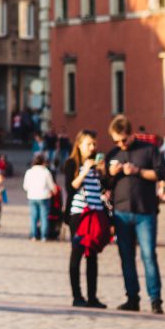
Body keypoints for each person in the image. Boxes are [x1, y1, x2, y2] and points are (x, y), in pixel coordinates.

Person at [105, 114, 163, 314]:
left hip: (145, 211)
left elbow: (159, 174)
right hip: (121, 212)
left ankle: (155, 299)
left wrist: (137, 171)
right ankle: (132, 298)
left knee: (148, 255)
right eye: (116, 141)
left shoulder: (148, 150)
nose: (120, 144)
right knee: (126, 257)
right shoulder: (112, 155)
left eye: (123, 139)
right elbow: (106, 184)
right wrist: (111, 174)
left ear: (131, 135)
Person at [64, 129, 108, 308]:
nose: (92, 148)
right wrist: (84, 171)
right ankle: (77, 296)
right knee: (77, 255)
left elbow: (105, 188)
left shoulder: (97, 166)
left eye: (94, 144)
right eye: (88, 144)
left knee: (93, 256)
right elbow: (71, 187)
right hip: (79, 215)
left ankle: (92, 297)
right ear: (79, 145)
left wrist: (104, 172)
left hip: (96, 214)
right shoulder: (71, 163)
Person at [23, 152, 57, 241]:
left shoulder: (29, 172)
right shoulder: (46, 172)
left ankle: (34, 235)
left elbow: (25, 186)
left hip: (32, 196)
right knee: (44, 217)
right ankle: (43, 236)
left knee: (33, 217)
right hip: (44, 197)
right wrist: (54, 191)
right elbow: (52, 186)